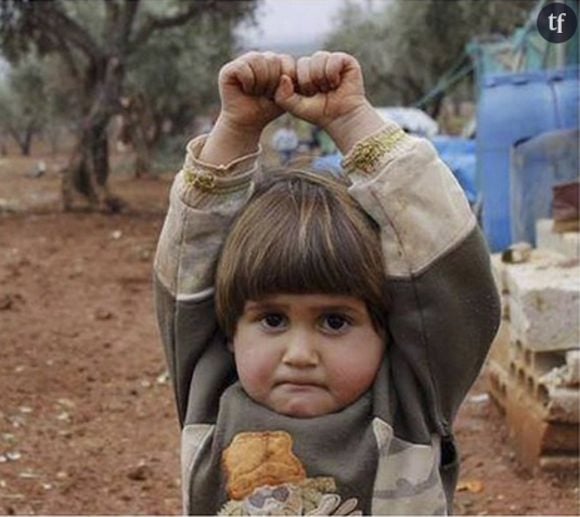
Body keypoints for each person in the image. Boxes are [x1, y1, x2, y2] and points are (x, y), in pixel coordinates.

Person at [153, 51, 500, 515]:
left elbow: (451, 271)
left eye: (335, 322)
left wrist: (352, 120)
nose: (300, 355)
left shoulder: (408, 401)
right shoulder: (211, 396)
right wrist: (234, 131)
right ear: (230, 332)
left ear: (388, 329)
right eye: (272, 319)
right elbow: (188, 266)